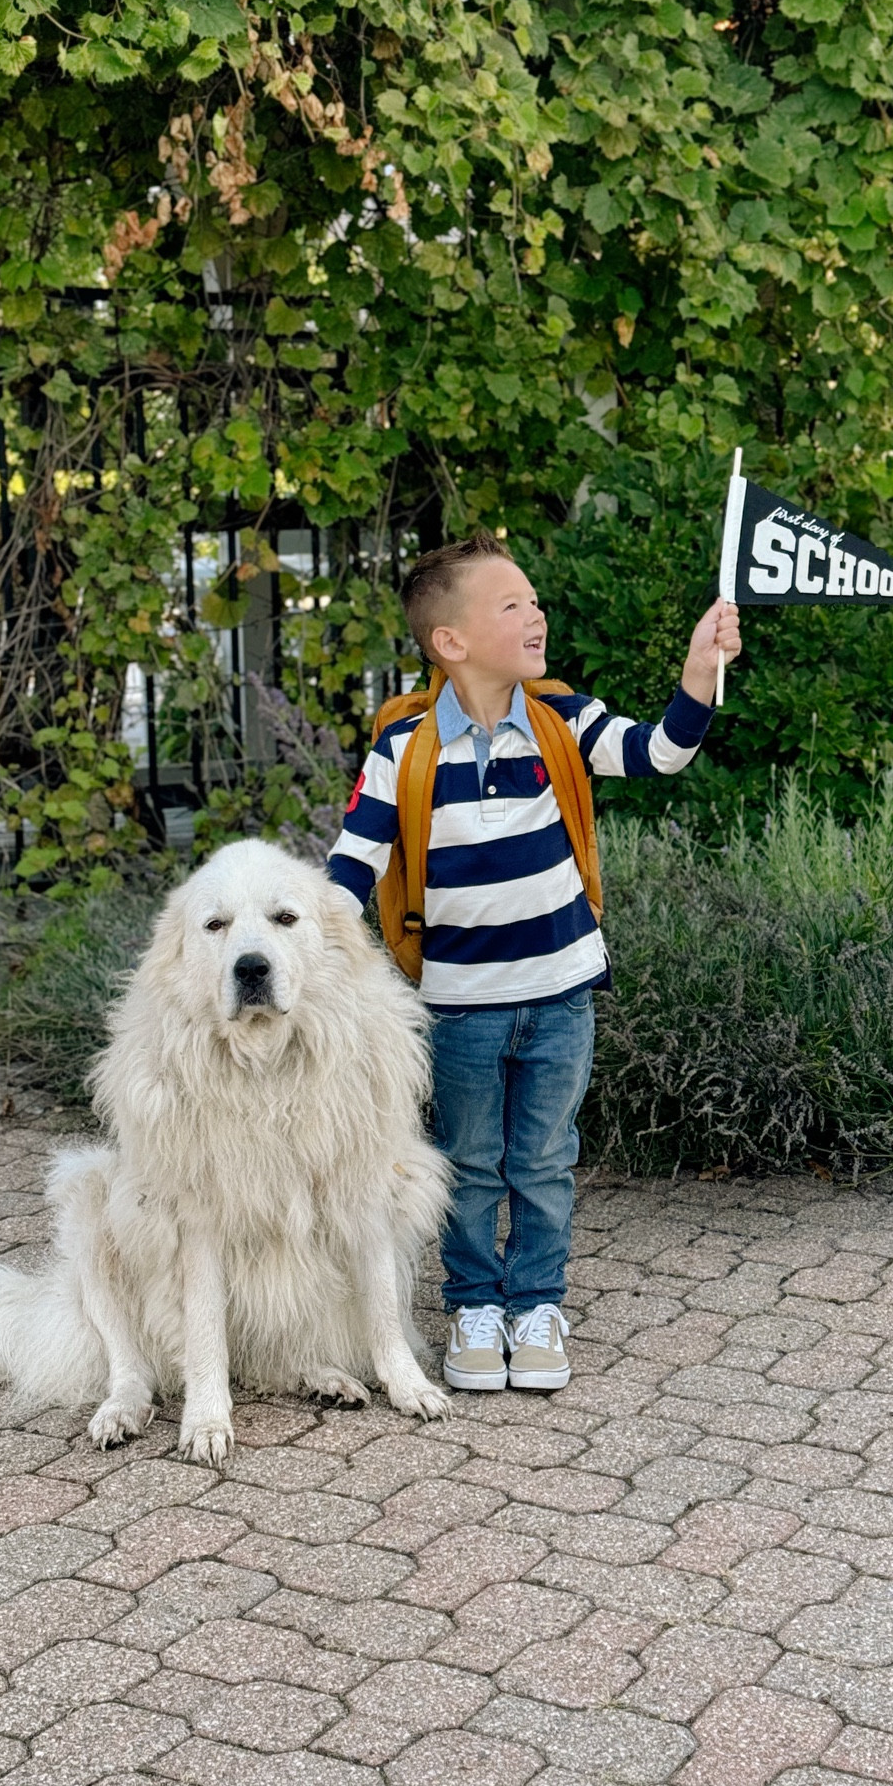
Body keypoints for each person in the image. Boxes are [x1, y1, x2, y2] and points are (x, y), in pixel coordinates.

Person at [325, 532, 741, 1393]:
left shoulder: (562, 717)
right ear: (452, 641)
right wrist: (303, 942)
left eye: (535, 599)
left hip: (561, 996)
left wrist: (700, 672)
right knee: (470, 1164)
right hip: (460, 1006)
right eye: (511, 603)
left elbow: (657, 753)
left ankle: (538, 1304)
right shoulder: (403, 750)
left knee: (545, 1161)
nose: (536, 612)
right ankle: (476, 1305)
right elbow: (350, 867)